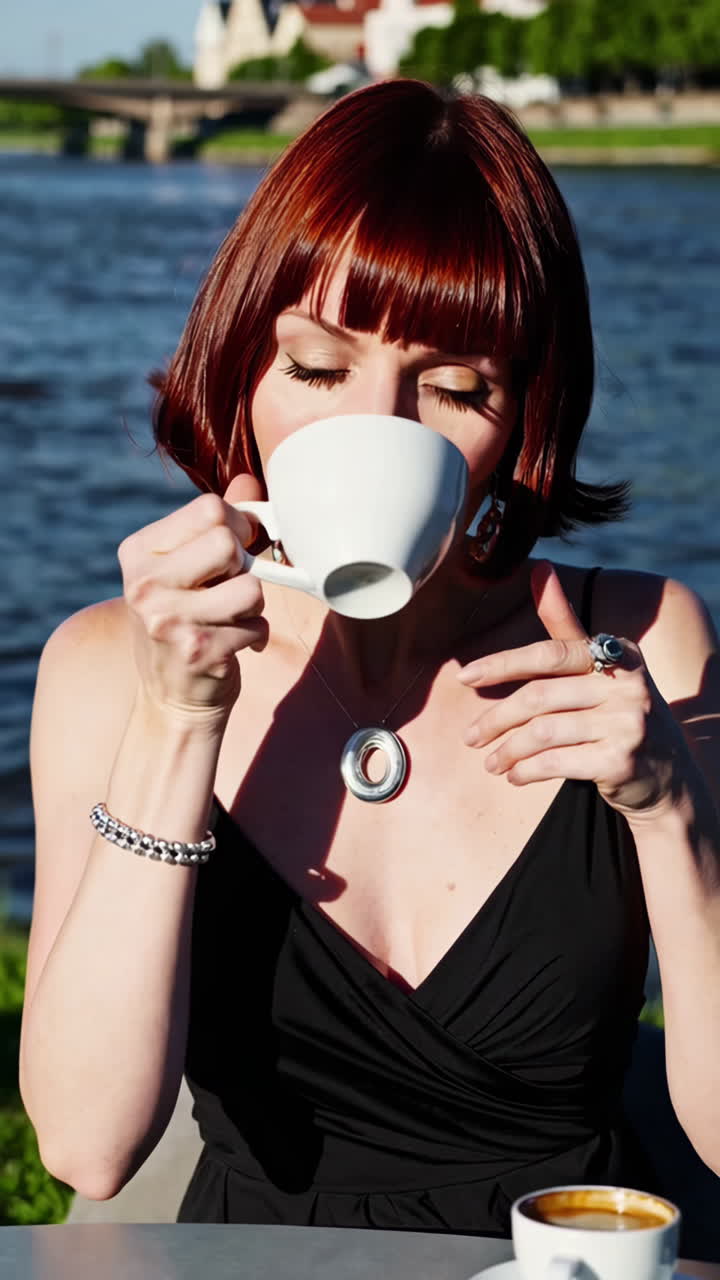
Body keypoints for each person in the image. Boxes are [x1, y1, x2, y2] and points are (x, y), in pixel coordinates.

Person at [20, 80, 720, 1236]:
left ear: (524, 416)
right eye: (315, 366)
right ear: (244, 364)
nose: (377, 427)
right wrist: (178, 718)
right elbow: (88, 1144)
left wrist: (669, 808)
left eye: (454, 387)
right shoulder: (111, 664)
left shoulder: (641, 643)